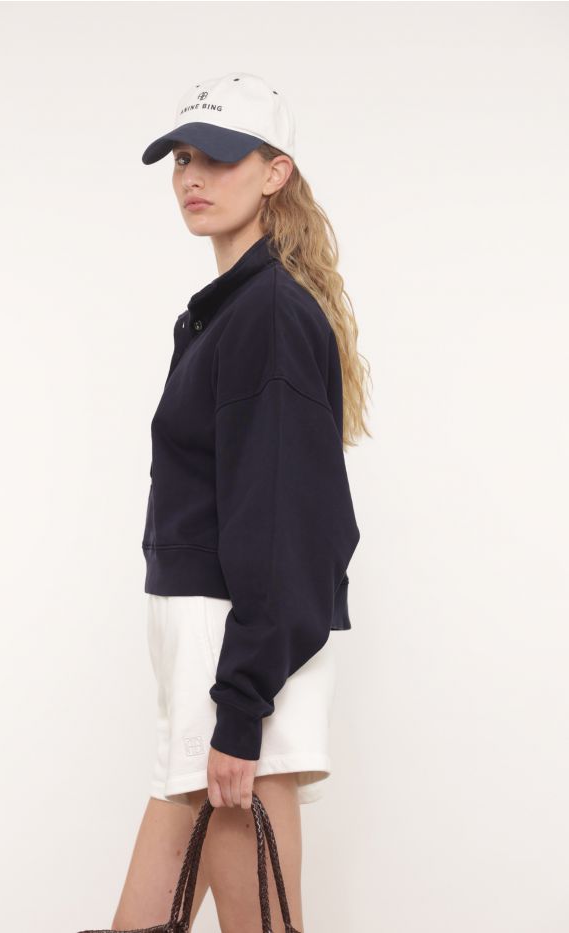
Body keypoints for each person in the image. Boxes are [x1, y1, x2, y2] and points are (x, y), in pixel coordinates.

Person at [111, 72, 371, 932]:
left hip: (231, 652)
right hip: (210, 655)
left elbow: (291, 528)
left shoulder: (267, 314)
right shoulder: (228, 313)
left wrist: (240, 705)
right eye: (183, 158)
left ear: (274, 172)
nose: (193, 176)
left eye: (218, 158)